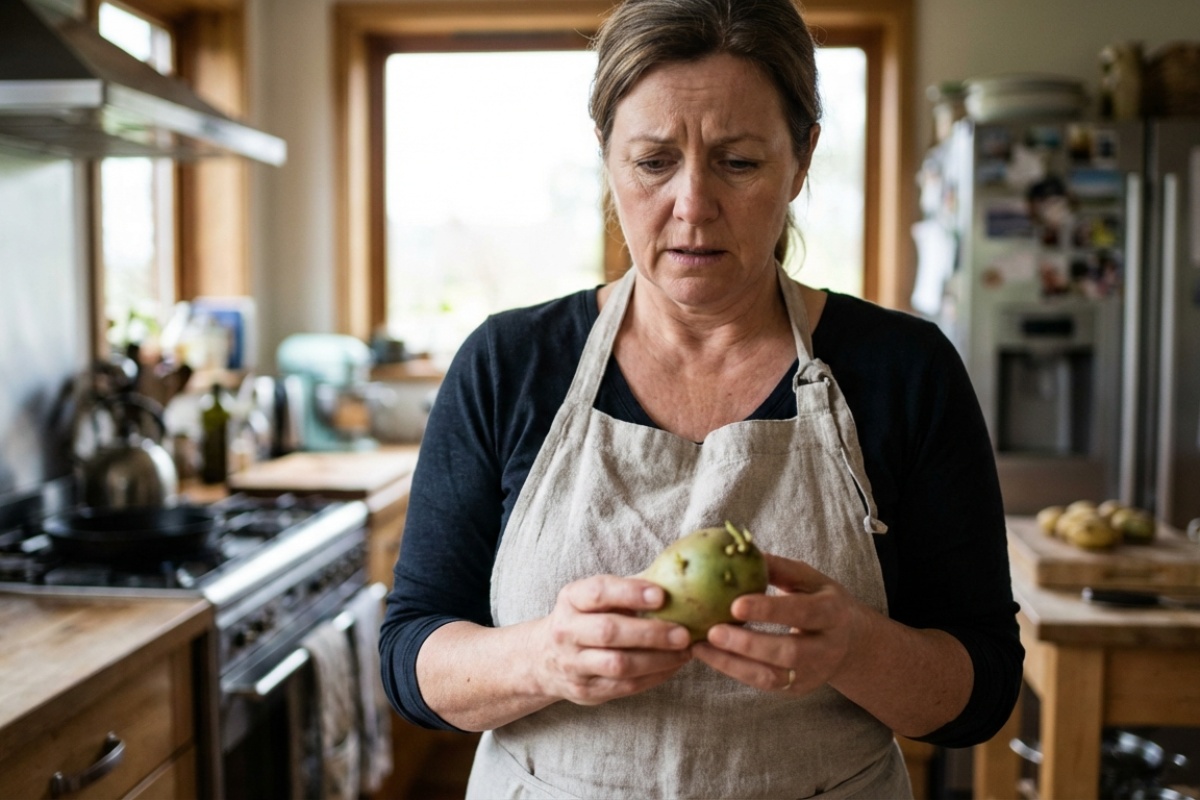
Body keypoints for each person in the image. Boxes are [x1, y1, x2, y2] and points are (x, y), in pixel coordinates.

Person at [380, 0, 1024, 796]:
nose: (692, 205)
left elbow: (985, 686)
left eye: (739, 162)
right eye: (653, 161)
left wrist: (855, 648)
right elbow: (411, 653)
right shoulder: (508, 364)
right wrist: (543, 656)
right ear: (607, 159)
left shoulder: (904, 369)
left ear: (802, 158)